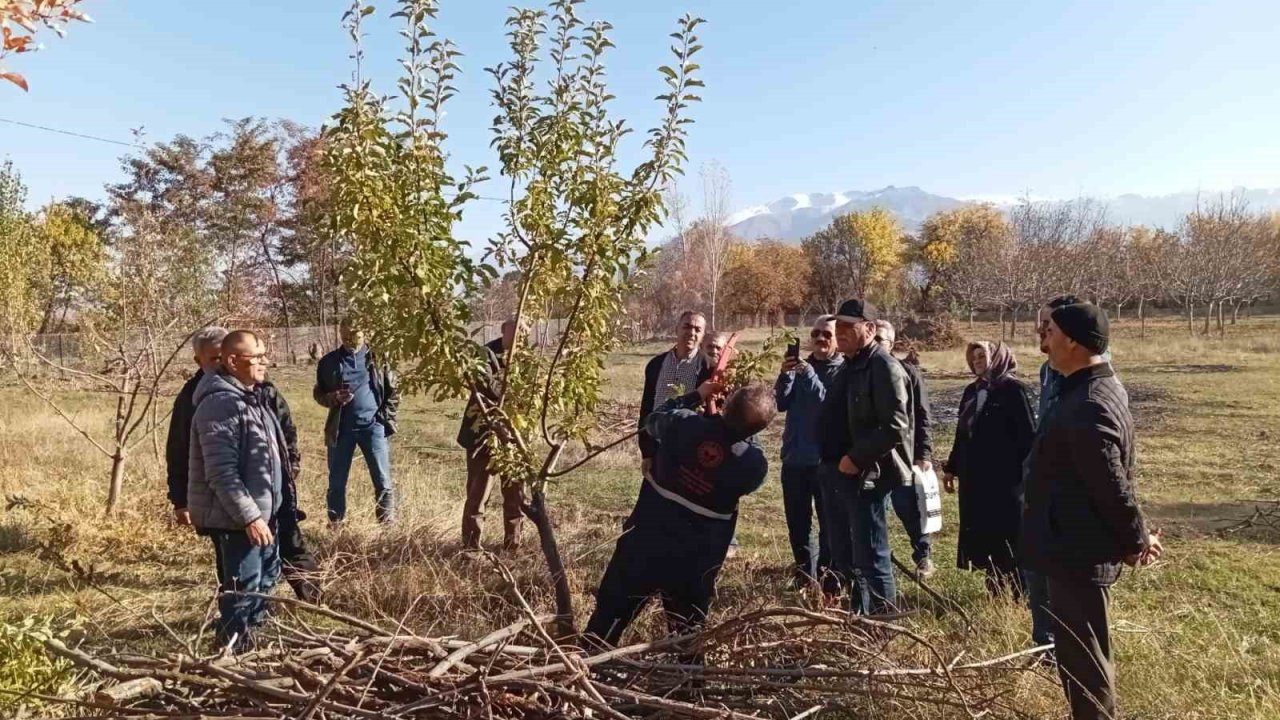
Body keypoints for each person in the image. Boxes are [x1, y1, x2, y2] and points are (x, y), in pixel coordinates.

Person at [1021, 302, 1163, 720]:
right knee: (1078, 658)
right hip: (1068, 546)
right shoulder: (1083, 387)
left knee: (1085, 666)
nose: (1042, 337)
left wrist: (1136, 540)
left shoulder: (1089, 402)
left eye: (1050, 330)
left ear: (1074, 342)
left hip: (1078, 552)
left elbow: (1111, 484)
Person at [585, 381, 775, 647]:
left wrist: (697, 396)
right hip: (694, 565)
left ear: (728, 404)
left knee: (605, 624)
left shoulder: (683, 423)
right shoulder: (753, 465)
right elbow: (748, 458)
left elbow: (652, 422)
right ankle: (688, 688)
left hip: (642, 546)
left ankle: (580, 673)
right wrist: (732, 428)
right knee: (688, 640)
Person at [167, 328, 319, 602]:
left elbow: (285, 434)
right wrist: (180, 499)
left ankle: (315, 603)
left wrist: (288, 472)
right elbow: (192, 457)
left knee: (276, 566)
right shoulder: (209, 400)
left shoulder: (259, 390)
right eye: (215, 359)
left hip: (270, 500)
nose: (220, 364)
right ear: (199, 361)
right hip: (232, 511)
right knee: (242, 586)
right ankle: (237, 639)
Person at [188, 330, 286, 653]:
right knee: (242, 592)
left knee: (263, 586)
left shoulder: (249, 396)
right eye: (256, 357)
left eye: (263, 355)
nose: (264, 362)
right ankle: (233, 656)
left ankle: (256, 651)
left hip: (261, 515)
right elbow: (221, 473)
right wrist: (251, 517)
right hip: (238, 521)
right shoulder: (220, 404)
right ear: (232, 361)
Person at [818, 299, 913, 615]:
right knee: (850, 558)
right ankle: (860, 620)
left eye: (848, 326)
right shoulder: (851, 364)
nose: (840, 332)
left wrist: (855, 459)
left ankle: (884, 628)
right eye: (838, 326)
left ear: (870, 329)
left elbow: (895, 426)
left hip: (866, 476)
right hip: (839, 474)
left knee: (872, 557)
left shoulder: (883, 367)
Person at [942, 341, 1036, 595]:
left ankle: (1020, 593)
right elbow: (962, 435)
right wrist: (951, 468)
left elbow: (1029, 437)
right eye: (973, 358)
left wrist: (1027, 477)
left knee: (1009, 533)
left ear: (997, 356)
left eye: (982, 355)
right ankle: (995, 588)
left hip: (1007, 480)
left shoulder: (1013, 390)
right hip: (975, 478)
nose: (977, 361)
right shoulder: (972, 391)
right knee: (985, 532)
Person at [774, 315, 844, 590]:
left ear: (837, 339)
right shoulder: (802, 367)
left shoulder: (843, 370)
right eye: (816, 334)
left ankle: (829, 582)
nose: (820, 339)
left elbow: (826, 405)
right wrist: (785, 375)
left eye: (827, 334)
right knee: (798, 526)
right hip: (794, 458)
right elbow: (781, 403)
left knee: (829, 526)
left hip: (825, 461)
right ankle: (806, 579)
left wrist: (809, 375)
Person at [314, 317, 400, 524]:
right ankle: (336, 525)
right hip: (340, 429)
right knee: (336, 482)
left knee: (383, 480)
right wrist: (333, 398)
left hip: (373, 428)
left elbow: (394, 392)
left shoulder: (379, 359)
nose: (350, 341)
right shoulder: (328, 362)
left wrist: (383, 418)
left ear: (365, 334)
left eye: (355, 336)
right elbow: (319, 394)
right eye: (345, 337)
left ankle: (387, 527)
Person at [873, 320, 936, 577]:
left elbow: (923, 415)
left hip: (903, 455)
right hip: (872, 457)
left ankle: (923, 556)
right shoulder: (859, 371)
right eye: (872, 337)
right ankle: (878, 558)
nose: (874, 344)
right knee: (876, 510)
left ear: (891, 344)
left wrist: (923, 453)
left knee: (909, 507)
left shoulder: (908, 373)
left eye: (880, 340)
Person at [457, 319, 525, 550]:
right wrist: (516, 390)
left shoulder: (527, 361)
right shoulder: (485, 355)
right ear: (503, 331)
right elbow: (489, 389)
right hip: (483, 436)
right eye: (514, 333)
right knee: (478, 495)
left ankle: (513, 546)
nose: (518, 339)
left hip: (514, 439)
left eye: (523, 335)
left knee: (515, 494)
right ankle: (471, 548)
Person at [638, 311, 710, 482]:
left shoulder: (708, 368)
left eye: (697, 329)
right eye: (686, 326)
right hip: (657, 445)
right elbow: (646, 407)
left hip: (688, 449)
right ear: (676, 328)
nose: (691, 332)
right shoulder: (656, 365)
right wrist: (646, 452)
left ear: (702, 335)